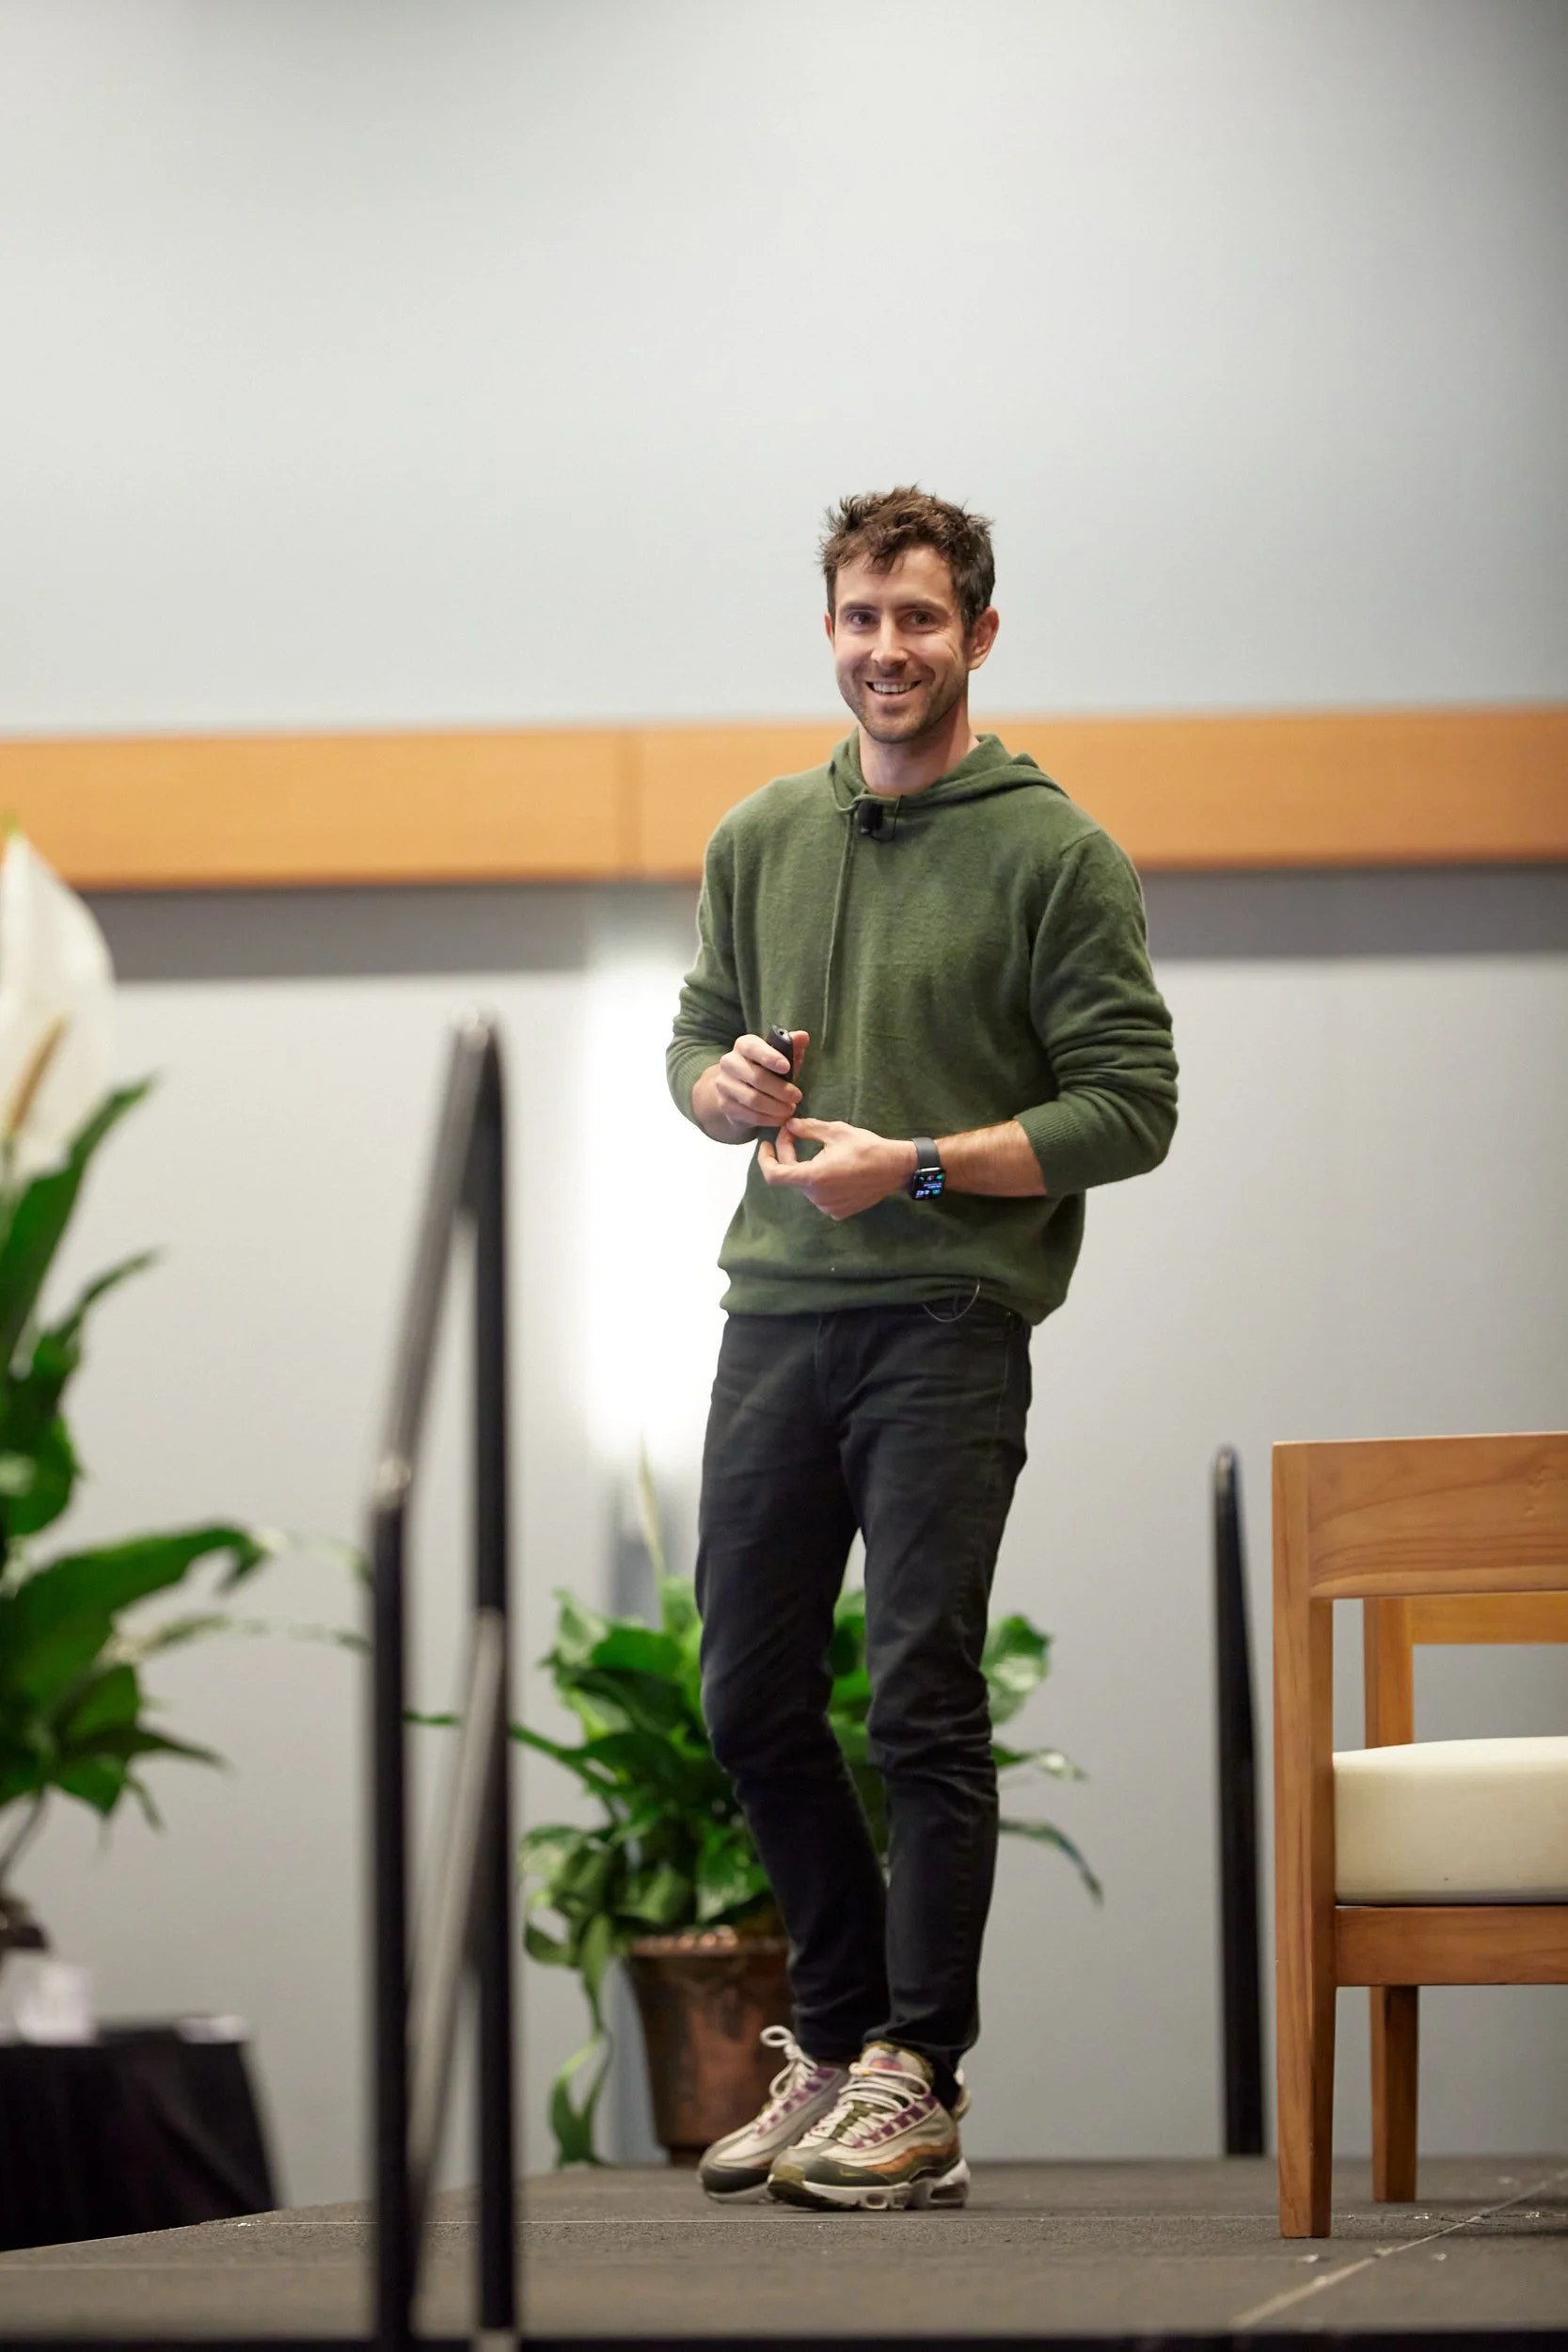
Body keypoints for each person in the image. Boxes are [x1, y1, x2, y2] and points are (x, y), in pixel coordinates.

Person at [665, 487, 1178, 2212]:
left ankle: (916, 2075)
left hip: (949, 1321)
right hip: (772, 1315)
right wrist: (717, 1087)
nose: (887, 649)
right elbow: (694, 1038)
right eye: (861, 618)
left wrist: (924, 1165)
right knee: (746, 1697)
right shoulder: (759, 835)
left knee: (919, 1698)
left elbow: (1130, 1108)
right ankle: (829, 2045)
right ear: (830, 629)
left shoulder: (1055, 854)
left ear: (978, 635)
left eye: (920, 619)